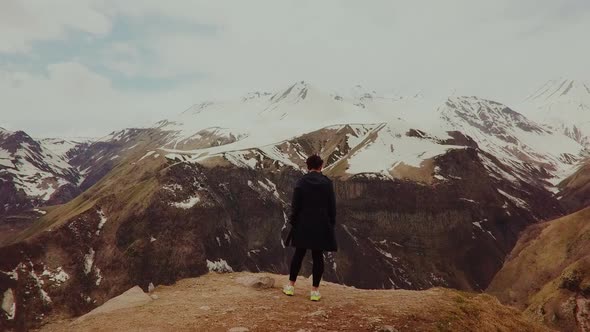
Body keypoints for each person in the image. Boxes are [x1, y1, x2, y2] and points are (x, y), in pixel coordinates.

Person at [283, 154, 337, 301]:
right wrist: (331, 223)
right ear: (321, 166)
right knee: (318, 256)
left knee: (299, 254)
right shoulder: (327, 183)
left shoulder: (301, 182)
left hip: (302, 223)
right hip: (321, 224)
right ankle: (314, 291)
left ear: (308, 166)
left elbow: (295, 206)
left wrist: (293, 222)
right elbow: (332, 206)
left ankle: (290, 286)